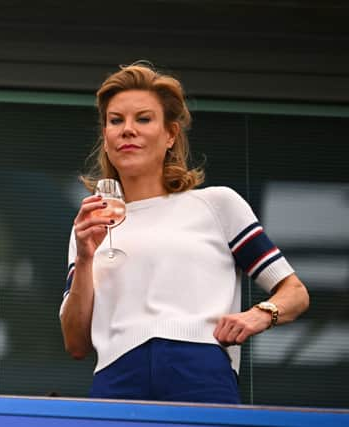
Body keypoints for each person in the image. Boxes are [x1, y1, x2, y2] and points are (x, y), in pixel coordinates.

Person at [59, 62, 310, 404]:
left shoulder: (216, 204)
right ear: (105, 137)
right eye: (115, 120)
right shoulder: (90, 225)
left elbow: (294, 292)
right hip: (115, 378)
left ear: (170, 135)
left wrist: (260, 314)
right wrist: (86, 257)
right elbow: (76, 343)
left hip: (201, 371)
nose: (127, 130)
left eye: (143, 119)